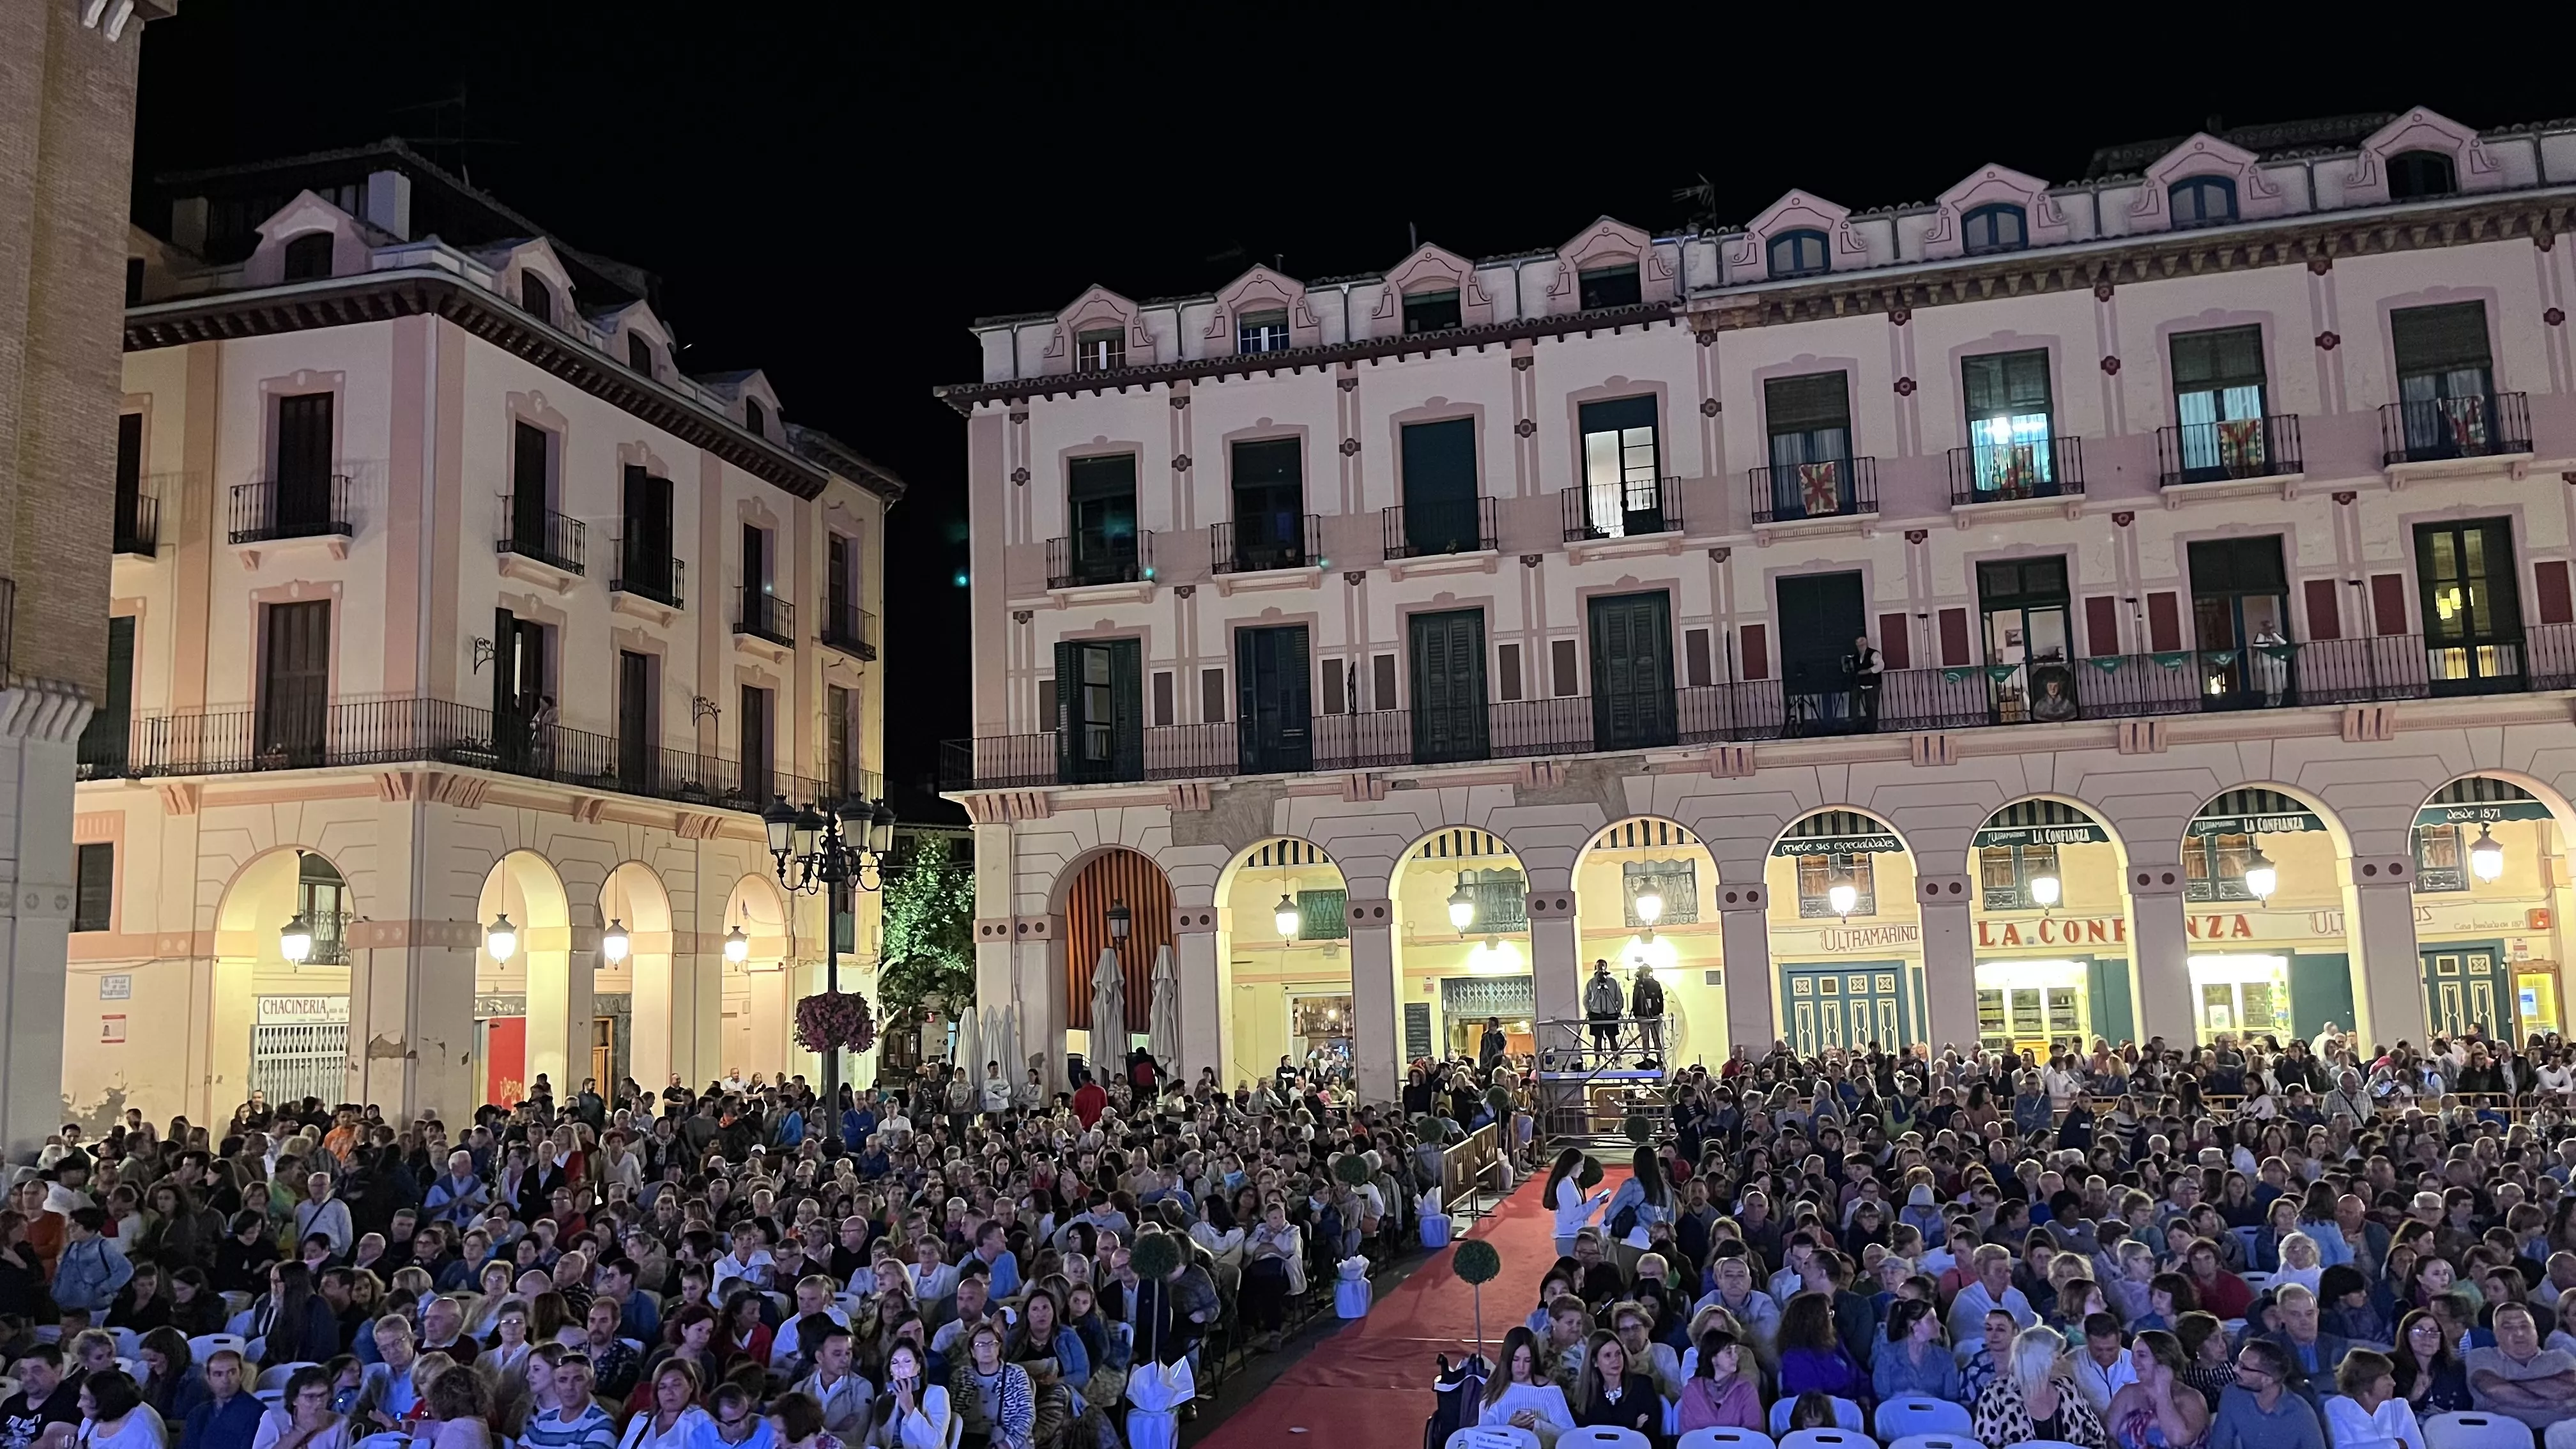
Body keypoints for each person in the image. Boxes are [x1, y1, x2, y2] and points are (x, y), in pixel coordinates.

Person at [1975, 1325, 2108, 1449]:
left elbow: (2096, 1437)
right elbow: (1985, 1447)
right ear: (2041, 1362)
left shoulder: (2067, 1388)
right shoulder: (1996, 1395)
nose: (2064, 1361)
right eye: (2058, 1357)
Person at [2465, 1300, 2576, 1431]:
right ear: (2496, 1334)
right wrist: (2550, 1402)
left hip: (2563, 1437)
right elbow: (2493, 1389)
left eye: (2525, 1326)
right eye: (2508, 1327)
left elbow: (2571, 1387)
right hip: (2503, 1437)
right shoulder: (2481, 1356)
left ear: (2535, 1330)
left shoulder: (2560, 1357)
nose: (2519, 1333)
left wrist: (2509, 1386)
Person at [2207, 1340, 2324, 1449]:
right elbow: (2220, 1443)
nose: (2235, 1369)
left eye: (2243, 1367)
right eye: (2238, 1362)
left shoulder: (2301, 1414)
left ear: (2267, 1380)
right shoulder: (2232, 1394)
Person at [2104, 1330, 2209, 1449]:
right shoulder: (2126, 1393)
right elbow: (2108, 1437)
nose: (2134, 1362)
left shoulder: (2191, 1397)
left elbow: (2179, 1438)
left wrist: (2163, 1392)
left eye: (2142, 1356)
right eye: (2133, 1355)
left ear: (2163, 1359)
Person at [1480, 1327, 1576, 1448]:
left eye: (1527, 1360)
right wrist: (1509, 1429)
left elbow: (1570, 1436)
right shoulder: (1494, 1389)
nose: (1521, 1366)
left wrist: (1536, 1426)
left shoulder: (1549, 1390)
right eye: (1516, 1360)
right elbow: (1482, 1437)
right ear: (1507, 1359)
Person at [2322, 1349, 2425, 1449]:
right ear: (2367, 1381)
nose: (2393, 1383)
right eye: (2386, 1377)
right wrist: (2396, 1444)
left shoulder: (2400, 1407)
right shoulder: (2336, 1407)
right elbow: (2342, 1447)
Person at [1873, 1298, 1961, 1404]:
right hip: (1898, 1416)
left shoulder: (1945, 1358)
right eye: (1931, 1320)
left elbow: (1951, 1399)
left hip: (1935, 1417)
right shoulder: (1887, 1355)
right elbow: (1882, 1395)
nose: (1938, 1324)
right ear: (1914, 1325)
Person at [1570, 1331, 1656, 1440]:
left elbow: (1650, 1434)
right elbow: (1585, 1439)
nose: (1615, 1360)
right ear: (1595, 1362)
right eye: (1607, 1356)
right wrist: (1634, 1428)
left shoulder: (1642, 1386)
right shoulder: (1586, 1395)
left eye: (1618, 1353)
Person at [863, 1343, 951, 1449]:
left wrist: (910, 1410)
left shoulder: (937, 1394)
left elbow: (933, 1444)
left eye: (907, 1361)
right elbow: (871, 1443)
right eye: (895, 1363)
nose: (900, 1368)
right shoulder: (882, 1399)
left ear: (918, 1367)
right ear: (890, 1371)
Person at [1676, 1328, 1763, 1433]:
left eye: (1735, 1351)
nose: (1736, 1357)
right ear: (1713, 1358)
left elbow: (1753, 1435)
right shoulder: (1692, 1390)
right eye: (1729, 1353)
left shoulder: (1746, 1389)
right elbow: (1688, 1436)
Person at [248, 1365, 349, 1449]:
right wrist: (301, 1431)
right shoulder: (273, 1418)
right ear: (294, 1400)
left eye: (323, 1395)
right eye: (310, 1397)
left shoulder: (340, 1423)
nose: (319, 1402)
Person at [181, 1351, 264, 1449]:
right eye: (218, 1374)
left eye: (232, 1372)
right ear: (208, 1379)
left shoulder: (257, 1413)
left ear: (240, 1375)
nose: (226, 1380)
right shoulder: (197, 1415)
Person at [72, 1370, 162, 1449]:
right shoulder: (92, 1419)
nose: (79, 1405)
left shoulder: (140, 1436)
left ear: (104, 1402)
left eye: (85, 1398)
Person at [1629, 963, 1665, 1067]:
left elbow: (1660, 999)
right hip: (1642, 1014)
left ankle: (1659, 1058)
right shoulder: (1639, 985)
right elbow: (1635, 998)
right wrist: (1636, 1013)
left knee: (1656, 1037)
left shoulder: (1655, 984)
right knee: (1645, 1038)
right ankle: (1646, 1058)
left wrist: (1660, 1011)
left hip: (1654, 1013)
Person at [1848, 632, 1882, 730]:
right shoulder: (1855, 657)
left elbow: (1880, 666)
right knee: (1854, 697)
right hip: (1860, 683)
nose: (1860, 647)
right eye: (1858, 645)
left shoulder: (1874, 654)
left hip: (1873, 683)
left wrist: (1867, 671)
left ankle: (1872, 728)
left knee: (1871, 706)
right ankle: (1854, 723)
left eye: (1862, 644)